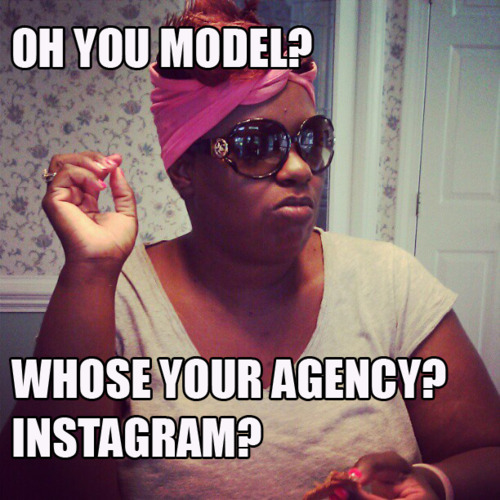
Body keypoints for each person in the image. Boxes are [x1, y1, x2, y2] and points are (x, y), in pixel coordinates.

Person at [1, 1, 499, 498]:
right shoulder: (116, 299)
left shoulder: (389, 282)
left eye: (311, 140)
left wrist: (432, 483)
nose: (300, 169)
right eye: (257, 145)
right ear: (185, 171)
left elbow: (489, 454)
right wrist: (89, 271)